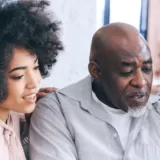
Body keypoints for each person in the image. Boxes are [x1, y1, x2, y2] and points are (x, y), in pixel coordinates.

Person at [30, 22, 160, 160]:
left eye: (146, 69)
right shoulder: (57, 112)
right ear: (96, 71)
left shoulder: (156, 111)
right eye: (127, 71)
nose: (141, 82)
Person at [0, 0, 63, 160]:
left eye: (35, 68)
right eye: (18, 76)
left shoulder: (13, 115)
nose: (35, 82)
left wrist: (30, 122)